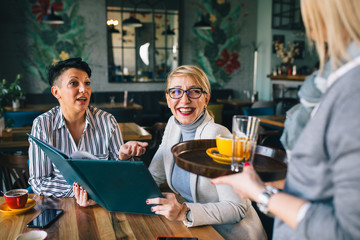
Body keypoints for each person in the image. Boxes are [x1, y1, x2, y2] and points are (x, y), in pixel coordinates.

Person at [212, 0, 360, 239]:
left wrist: (262, 195)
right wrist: (262, 186)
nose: (305, 15)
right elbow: (323, 187)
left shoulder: (352, 91)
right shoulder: (332, 81)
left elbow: (347, 231)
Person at [146, 65, 266, 239]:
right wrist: (128, 161)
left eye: (194, 92)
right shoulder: (173, 125)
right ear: (168, 98)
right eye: (176, 92)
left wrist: (184, 212)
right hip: (197, 230)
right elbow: (153, 178)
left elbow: (236, 208)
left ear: (206, 99)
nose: (185, 100)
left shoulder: (218, 135)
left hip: (230, 234)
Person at [28, 58, 148, 206]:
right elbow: (38, 181)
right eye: (74, 83)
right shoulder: (42, 125)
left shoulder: (107, 121)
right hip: (60, 206)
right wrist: (83, 192)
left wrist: (124, 157)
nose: (84, 89)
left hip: (104, 205)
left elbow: (121, 176)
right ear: (56, 92)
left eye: (87, 83)